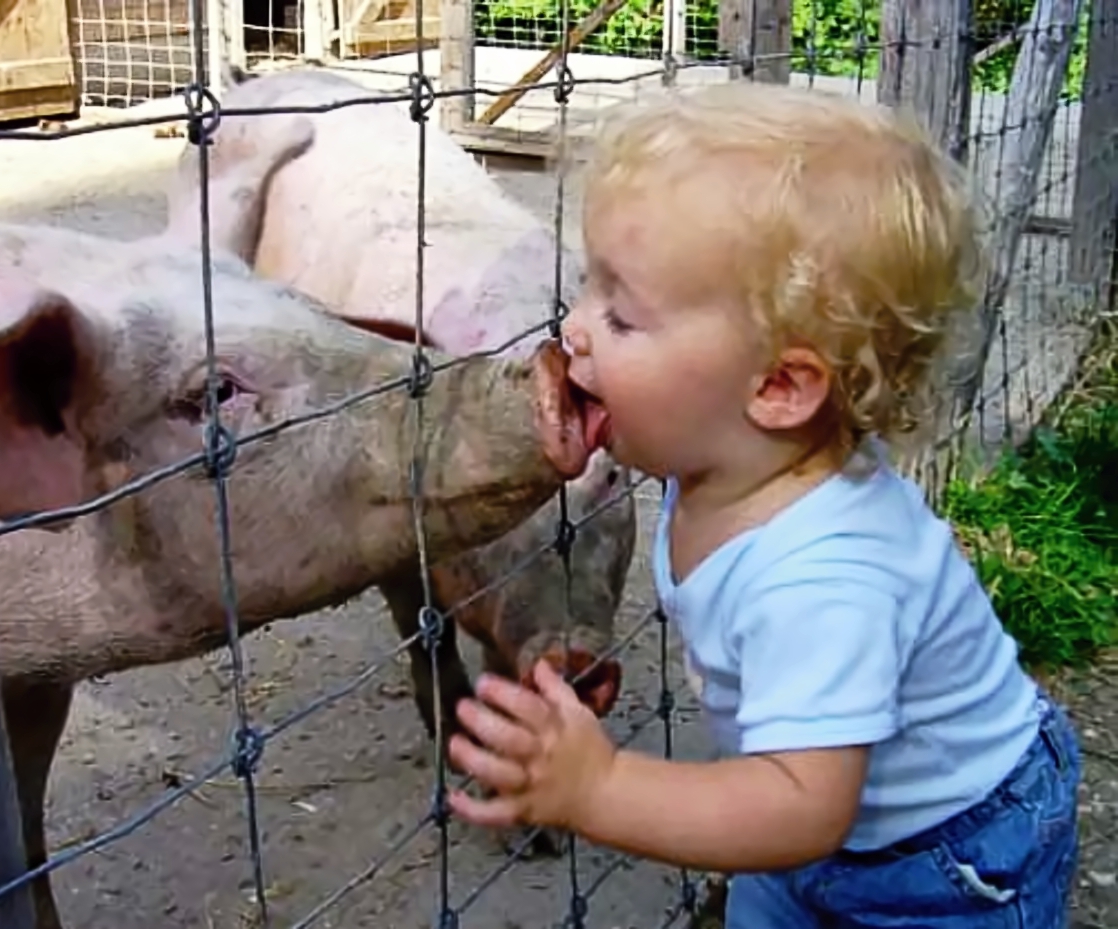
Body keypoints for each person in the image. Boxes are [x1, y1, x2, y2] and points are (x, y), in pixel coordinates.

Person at [443, 80, 1082, 928]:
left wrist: (602, 787)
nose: (575, 329)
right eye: (588, 288)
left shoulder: (824, 578)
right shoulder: (732, 450)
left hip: (944, 856)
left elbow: (800, 807)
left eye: (621, 316)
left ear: (778, 386)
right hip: (816, 816)